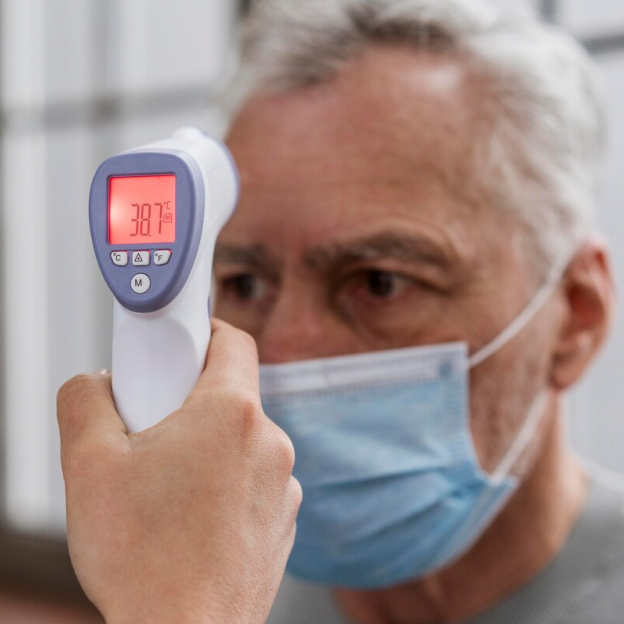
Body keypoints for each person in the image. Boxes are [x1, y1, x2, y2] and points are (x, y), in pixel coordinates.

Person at [57, 0, 624, 622]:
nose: (280, 353)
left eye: (380, 282)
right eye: (246, 283)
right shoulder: (200, 585)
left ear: (577, 316)